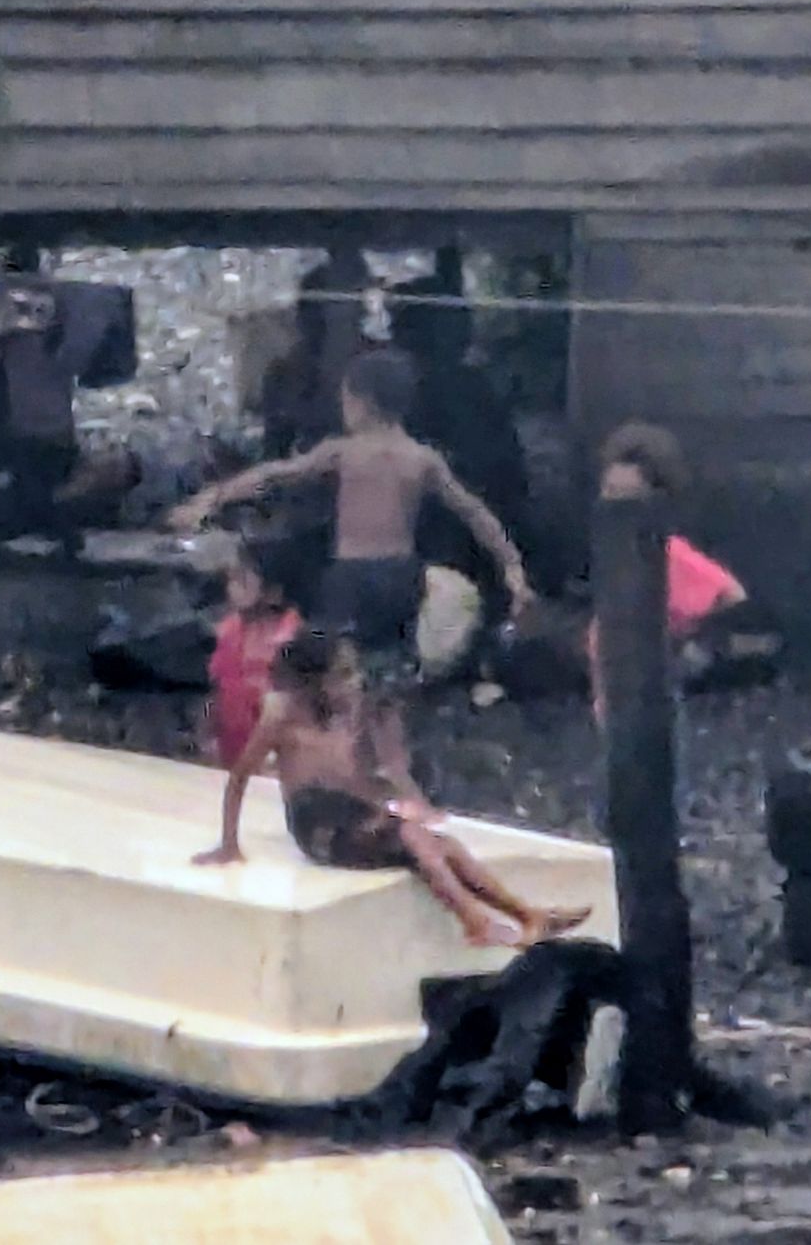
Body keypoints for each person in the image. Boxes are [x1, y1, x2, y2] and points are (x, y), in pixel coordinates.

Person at [170, 348, 534, 803]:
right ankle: (390, 773)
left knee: (321, 668)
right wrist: (512, 565)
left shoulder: (344, 451)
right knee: (388, 682)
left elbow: (277, 475)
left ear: (359, 402)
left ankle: (323, 761)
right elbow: (474, 512)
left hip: (353, 577)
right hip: (401, 577)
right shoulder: (421, 459)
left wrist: (214, 496)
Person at [194, 631, 589, 950]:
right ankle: (476, 922)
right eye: (344, 675)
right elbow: (240, 777)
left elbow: (362, 778)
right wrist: (229, 842)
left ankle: (527, 915)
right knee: (414, 837)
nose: (356, 682)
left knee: (444, 845)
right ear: (312, 684)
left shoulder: (349, 715)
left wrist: (390, 797)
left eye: (354, 672)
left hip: (351, 814)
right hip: (317, 826)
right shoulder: (281, 718)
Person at [585, 422, 749, 725]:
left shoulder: (670, 554)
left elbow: (732, 595)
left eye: (630, 499)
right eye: (610, 495)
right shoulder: (610, 552)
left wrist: (684, 632)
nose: (618, 510)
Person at [204, 541, 304, 769]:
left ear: (273, 591)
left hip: (277, 764)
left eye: (242, 580)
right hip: (229, 758)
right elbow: (215, 692)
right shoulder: (228, 629)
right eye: (231, 579)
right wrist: (208, 737)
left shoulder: (294, 637)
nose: (232, 588)